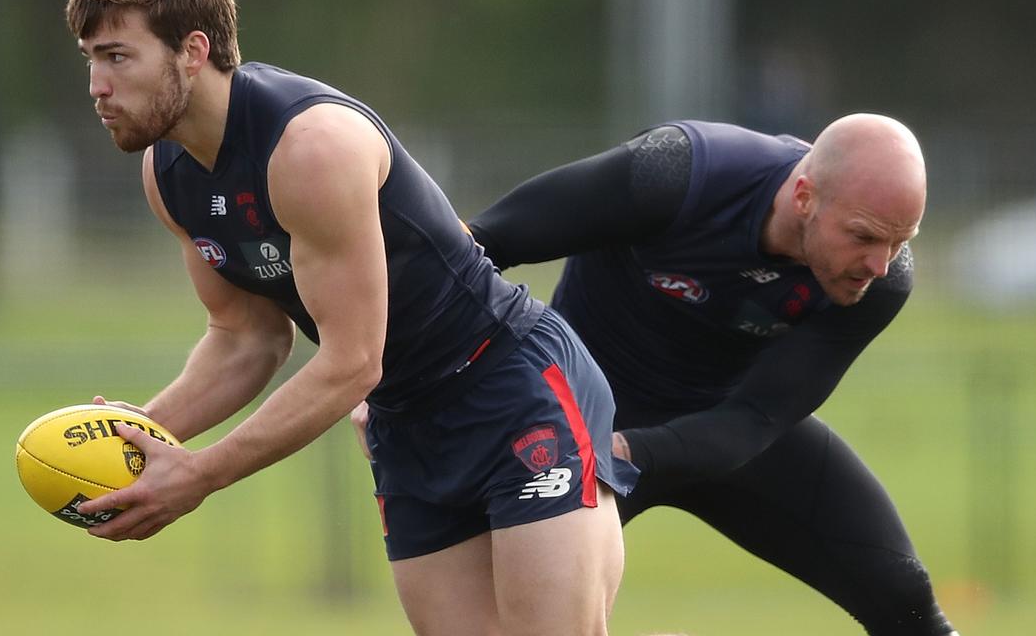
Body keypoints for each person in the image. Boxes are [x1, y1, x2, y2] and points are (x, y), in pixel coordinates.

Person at [63, 0, 635, 635]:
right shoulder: (168, 173)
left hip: (512, 389)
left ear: (194, 50)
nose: (97, 85)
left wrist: (200, 473)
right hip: (406, 427)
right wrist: (139, 438)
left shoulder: (311, 147)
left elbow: (352, 362)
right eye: (91, 59)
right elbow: (246, 339)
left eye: (118, 57)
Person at [410, 114, 958, 635]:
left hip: (722, 427)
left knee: (904, 600)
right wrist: (400, 367)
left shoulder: (880, 284)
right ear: (804, 198)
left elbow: (754, 419)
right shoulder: (677, 175)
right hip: (580, 419)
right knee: (514, 624)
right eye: (864, 237)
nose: (879, 263)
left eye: (900, 241)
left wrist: (631, 451)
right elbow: (479, 246)